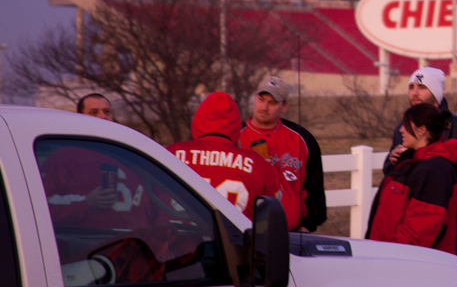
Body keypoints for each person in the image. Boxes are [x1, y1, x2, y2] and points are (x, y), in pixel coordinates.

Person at [382, 67, 457, 254]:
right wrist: (391, 162)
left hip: (440, 229)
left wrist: (443, 206)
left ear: (436, 92)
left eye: (422, 87)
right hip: (401, 225)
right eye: (411, 86)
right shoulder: (401, 129)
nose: (415, 92)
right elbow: (393, 173)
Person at [169, 91, 299, 228]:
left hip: (177, 241)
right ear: (235, 124)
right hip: (233, 245)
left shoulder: (171, 153)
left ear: (198, 119)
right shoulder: (257, 164)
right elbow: (272, 211)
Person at [42, 92, 151, 228]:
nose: (102, 116)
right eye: (94, 112)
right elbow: (42, 208)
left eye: (107, 112)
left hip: (131, 242)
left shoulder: (130, 153)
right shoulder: (63, 158)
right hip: (86, 242)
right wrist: (87, 203)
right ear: (79, 117)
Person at [366, 104, 457, 254]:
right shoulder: (411, 161)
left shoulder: (434, 170)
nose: (401, 130)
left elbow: (420, 230)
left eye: (405, 125)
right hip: (386, 254)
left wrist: (391, 254)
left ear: (422, 130)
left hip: (407, 261)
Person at [239, 76, 326, 232]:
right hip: (244, 231)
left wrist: (308, 225)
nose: (264, 107)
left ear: (284, 106)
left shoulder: (302, 138)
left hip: (291, 232)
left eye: (272, 103)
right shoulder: (236, 136)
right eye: (261, 99)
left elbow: (315, 188)